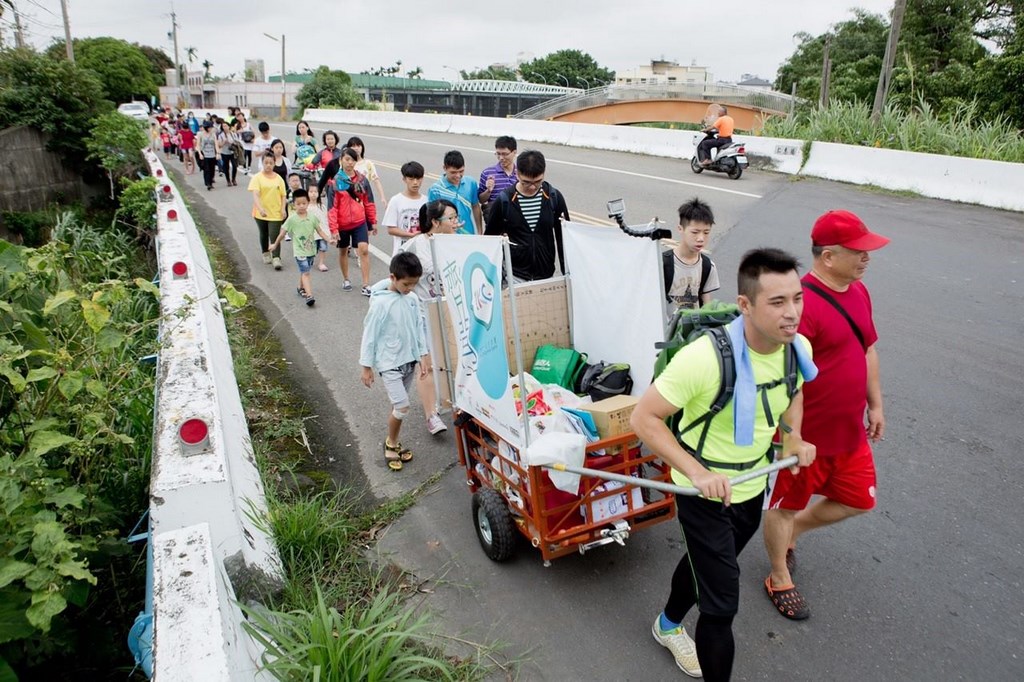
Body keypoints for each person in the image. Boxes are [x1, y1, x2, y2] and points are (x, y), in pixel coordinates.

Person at [631, 248, 817, 682]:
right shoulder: (705, 359)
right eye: (777, 302)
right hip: (702, 493)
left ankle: (666, 624)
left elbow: (794, 393)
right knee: (722, 606)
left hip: (751, 488)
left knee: (707, 565)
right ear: (745, 305)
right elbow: (645, 418)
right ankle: (681, 634)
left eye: (797, 298)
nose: (792, 313)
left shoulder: (796, 348)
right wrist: (696, 472)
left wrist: (793, 435)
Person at [762, 210, 889, 621]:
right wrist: (790, 436)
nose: (867, 258)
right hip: (804, 439)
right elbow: (783, 380)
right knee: (782, 506)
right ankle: (779, 575)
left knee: (858, 501)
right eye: (860, 251)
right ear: (829, 256)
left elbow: (867, 348)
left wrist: (876, 403)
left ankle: (795, 532)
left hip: (849, 431)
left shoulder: (859, 292)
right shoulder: (800, 306)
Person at [359, 251, 430, 471]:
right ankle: (390, 443)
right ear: (393, 278)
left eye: (414, 284)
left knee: (398, 406)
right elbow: (369, 335)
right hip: (389, 363)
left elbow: (418, 328)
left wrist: (423, 355)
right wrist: (366, 367)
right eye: (406, 284)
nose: (410, 289)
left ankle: (395, 440)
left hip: (409, 361)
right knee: (402, 406)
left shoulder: (412, 299)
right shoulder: (380, 304)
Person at [399, 199, 461, 435]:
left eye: (456, 217)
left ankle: (458, 404)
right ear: (435, 222)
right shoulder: (415, 246)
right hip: (423, 312)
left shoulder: (456, 244)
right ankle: (431, 415)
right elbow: (398, 275)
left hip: (451, 309)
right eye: (451, 218)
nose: (456, 222)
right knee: (428, 363)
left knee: (455, 359)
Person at [484, 150, 570, 283]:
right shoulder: (504, 201)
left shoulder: (554, 198)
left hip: (546, 275)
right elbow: (490, 241)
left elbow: (564, 239)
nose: (532, 187)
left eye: (538, 181)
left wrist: (568, 274)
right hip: (515, 276)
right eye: (526, 182)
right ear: (517, 174)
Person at [268, 189, 334, 307]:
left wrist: (329, 240)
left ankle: (300, 287)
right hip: (299, 252)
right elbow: (282, 233)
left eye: (304, 203)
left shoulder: (312, 217)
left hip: (311, 250)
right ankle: (309, 296)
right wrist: (275, 244)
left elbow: (319, 231)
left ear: (308, 203)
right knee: (306, 273)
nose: (301, 206)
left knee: (305, 270)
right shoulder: (292, 219)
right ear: (294, 205)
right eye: (298, 204)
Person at [331, 147, 378, 295]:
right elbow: (332, 208)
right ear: (341, 160)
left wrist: (372, 221)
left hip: (359, 222)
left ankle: (366, 284)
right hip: (343, 224)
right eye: (347, 159)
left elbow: (369, 201)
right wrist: (334, 229)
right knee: (343, 251)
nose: (350, 163)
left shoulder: (362, 180)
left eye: (352, 160)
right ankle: (346, 279)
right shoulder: (336, 182)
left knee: (363, 250)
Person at [664, 198, 721, 315]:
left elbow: (707, 308)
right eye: (695, 232)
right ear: (680, 229)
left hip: (693, 330)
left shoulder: (708, 266)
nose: (701, 238)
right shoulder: (662, 264)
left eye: (706, 232)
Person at [248, 153, 288, 270]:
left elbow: (283, 195)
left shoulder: (278, 178)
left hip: (275, 212)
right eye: (266, 163)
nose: (268, 165)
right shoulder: (257, 178)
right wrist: (260, 209)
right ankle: (265, 253)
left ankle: (276, 257)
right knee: (264, 234)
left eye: (271, 163)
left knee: (274, 235)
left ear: (274, 163)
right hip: (260, 213)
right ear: (262, 163)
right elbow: (255, 194)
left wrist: (282, 209)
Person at [427, 150, 481, 234]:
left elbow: (475, 206)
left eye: (461, 171)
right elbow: (432, 217)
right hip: (446, 236)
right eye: (453, 172)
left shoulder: (471, 183)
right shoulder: (435, 189)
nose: (458, 176)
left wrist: (480, 231)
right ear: (444, 168)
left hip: (468, 233)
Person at [383, 161, 426, 255]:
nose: (415, 183)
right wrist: (410, 235)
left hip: (422, 252)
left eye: (418, 179)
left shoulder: (426, 201)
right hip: (401, 252)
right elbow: (391, 229)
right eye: (411, 179)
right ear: (404, 179)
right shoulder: (396, 201)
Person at [478, 135, 518, 221]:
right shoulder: (487, 173)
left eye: (505, 154)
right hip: (495, 219)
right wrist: (488, 191)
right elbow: (481, 200)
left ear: (514, 152)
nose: (501, 158)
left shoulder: (521, 173)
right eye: (498, 154)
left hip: (516, 219)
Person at [346, 136, 387, 210]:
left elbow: (376, 181)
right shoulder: (346, 163)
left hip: (365, 197)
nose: (356, 148)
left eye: (358, 146)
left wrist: (382, 197)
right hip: (349, 198)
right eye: (353, 146)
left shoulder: (368, 164)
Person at [306, 184, 330, 273]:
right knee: (312, 248)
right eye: (311, 192)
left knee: (323, 247)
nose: (313, 194)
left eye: (315, 192)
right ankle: (309, 260)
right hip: (311, 232)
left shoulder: (322, 206)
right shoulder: (306, 207)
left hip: (322, 231)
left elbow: (326, 219)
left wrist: (328, 231)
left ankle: (321, 263)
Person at [196, 121, 220, 191]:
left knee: (212, 170)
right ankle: (208, 183)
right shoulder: (200, 134)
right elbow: (198, 145)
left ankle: (211, 182)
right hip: (204, 154)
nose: (211, 129)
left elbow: (216, 144)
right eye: (210, 127)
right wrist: (200, 153)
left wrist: (218, 153)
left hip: (212, 154)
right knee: (207, 170)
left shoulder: (213, 134)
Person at [217, 120, 239, 187]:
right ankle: (228, 180)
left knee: (234, 166)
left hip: (233, 152)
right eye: (223, 126)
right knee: (226, 167)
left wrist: (233, 143)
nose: (225, 127)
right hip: (225, 152)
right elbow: (219, 145)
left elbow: (237, 142)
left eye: (226, 126)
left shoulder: (233, 134)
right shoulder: (221, 135)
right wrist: (224, 141)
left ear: (229, 126)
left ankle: (233, 179)